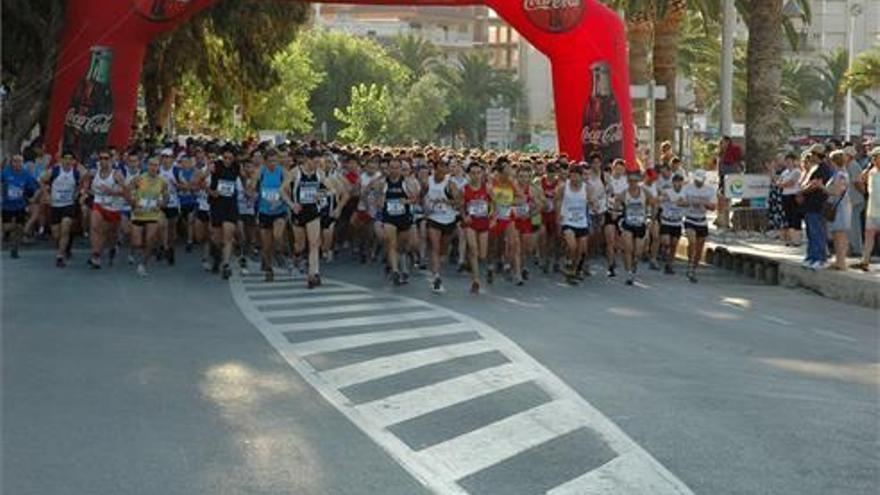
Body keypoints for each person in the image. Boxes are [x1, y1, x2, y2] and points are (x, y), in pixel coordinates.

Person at [378, 157, 418, 286]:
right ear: (388, 169)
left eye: (397, 168)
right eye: (392, 168)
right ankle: (395, 271)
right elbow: (378, 201)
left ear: (401, 169)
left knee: (403, 245)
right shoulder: (383, 183)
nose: (394, 170)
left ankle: (402, 263)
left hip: (404, 217)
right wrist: (381, 200)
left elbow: (414, 198)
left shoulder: (407, 183)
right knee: (391, 243)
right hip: (389, 217)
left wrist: (405, 201)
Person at [41, 152, 84, 267]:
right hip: (55, 205)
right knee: (56, 234)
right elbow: (41, 180)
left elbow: (82, 183)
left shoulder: (76, 172)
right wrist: (46, 194)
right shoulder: (54, 171)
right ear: (61, 160)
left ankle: (60, 256)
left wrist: (77, 193)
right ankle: (65, 248)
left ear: (74, 161)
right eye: (65, 158)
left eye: (70, 159)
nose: (68, 161)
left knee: (65, 228)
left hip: (68, 205)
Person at [425, 158, 460, 292]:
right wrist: (426, 205)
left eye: (444, 167)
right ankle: (436, 276)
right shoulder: (427, 181)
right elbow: (421, 195)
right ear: (435, 168)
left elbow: (458, 202)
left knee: (443, 249)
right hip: (433, 218)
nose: (442, 170)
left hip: (448, 219)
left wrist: (446, 201)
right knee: (435, 246)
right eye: (440, 167)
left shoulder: (450, 184)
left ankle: (437, 264)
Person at [128, 157, 167, 277]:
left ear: (159, 167)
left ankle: (143, 264)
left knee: (150, 240)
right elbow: (128, 192)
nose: (153, 167)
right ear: (147, 166)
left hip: (153, 214)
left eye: (155, 165)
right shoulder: (139, 179)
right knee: (137, 242)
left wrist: (162, 203)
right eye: (151, 165)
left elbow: (166, 197)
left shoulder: (162, 181)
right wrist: (134, 203)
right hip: (139, 214)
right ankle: (133, 250)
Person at [84, 150, 125, 268]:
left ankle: (112, 247)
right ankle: (96, 255)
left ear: (111, 160)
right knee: (95, 227)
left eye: (106, 158)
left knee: (111, 234)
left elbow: (125, 191)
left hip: (113, 207)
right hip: (98, 204)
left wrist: (112, 191)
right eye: (101, 158)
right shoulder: (94, 172)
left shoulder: (117, 174)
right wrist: (86, 190)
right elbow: (84, 178)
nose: (103, 161)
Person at [615, 171, 654, 286]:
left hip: (640, 224)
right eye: (631, 181)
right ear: (628, 182)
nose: (633, 184)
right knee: (628, 249)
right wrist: (616, 211)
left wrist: (652, 218)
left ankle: (634, 264)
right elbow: (616, 202)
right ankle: (629, 273)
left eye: (635, 181)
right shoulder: (624, 193)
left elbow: (654, 203)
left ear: (638, 181)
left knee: (638, 252)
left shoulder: (645, 193)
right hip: (628, 224)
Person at [255, 149, 288, 282]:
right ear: (265, 161)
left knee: (278, 235)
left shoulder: (282, 172)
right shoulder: (261, 171)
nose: (273, 164)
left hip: (280, 210)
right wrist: (253, 193)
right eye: (270, 161)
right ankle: (269, 269)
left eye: (275, 161)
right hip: (264, 211)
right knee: (266, 245)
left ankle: (279, 252)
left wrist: (280, 200)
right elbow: (252, 187)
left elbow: (288, 191)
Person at [799, 144, 834, 270]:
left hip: (818, 205)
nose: (810, 157)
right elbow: (805, 185)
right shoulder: (815, 168)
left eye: (811, 155)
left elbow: (813, 186)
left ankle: (820, 257)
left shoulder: (824, 169)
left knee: (817, 231)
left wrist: (804, 189)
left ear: (816, 155)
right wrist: (804, 188)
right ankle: (811, 256)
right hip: (810, 205)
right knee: (810, 232)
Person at [555, 164, 591, 284]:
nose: (574, 179)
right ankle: (568, 261)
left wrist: (594, 204)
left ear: (581, 177)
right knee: (572, 246)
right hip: (568, 220)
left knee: (581, 249)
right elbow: (557, 200)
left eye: (576, 176)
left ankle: (573, 271)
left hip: (581, 222)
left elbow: (591, 200)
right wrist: (559, 214)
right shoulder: (563, 187)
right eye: (572, 176)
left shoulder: (586, 188)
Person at [208, 152, 242, 279]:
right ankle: (217, 257)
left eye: (230, 158)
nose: (228, 160)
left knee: (228, 234)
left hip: (230, 205)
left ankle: (226, 264)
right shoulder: (215, 166)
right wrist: (211, 191)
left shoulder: (237, 167)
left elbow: (244, 178)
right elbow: (201, 182)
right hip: (217, 205)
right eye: (225, 158)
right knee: (217, 238)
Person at [680, 169, 716, 282]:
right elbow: (679, 202)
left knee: (700, 248)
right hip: (690, 219)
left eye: (700, 181)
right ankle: (690, 264)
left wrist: (704, 204)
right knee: (692, 241)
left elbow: (714, 207)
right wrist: (692, 202)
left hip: (702, 220)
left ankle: (693, 269)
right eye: (697, 181)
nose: (698, 183)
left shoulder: (710, 190)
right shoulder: (687, 188)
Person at [2, 154, 39, 258]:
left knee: (19, 227)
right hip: (7, 205)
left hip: (20, 205)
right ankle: (10, 235)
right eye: (15, 161)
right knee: (7, 227)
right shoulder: (5, 173)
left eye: (20, 162)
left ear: (23, 163)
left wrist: (33, 199)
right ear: (12, 163)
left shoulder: (26, 175)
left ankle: (15, 248)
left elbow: (37, 188)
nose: (17, 164)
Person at [461, 161, 491, 293]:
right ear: (468, 175)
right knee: (473, 249)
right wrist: (464, 216)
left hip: (484, 222)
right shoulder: (464, 188)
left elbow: (495, 204)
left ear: (482, 174)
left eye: (479, 173)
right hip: (470, 223)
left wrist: (493, 217)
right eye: (473, 173)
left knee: (482, 254)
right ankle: (476, 280)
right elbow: (461, 206)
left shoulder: (487, 188)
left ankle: (471, 263)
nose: (476, 175)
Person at [854, 146, 880, 271]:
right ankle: (865, 260)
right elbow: (861, 180)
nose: (875, 159)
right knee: (869, 235)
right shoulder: (871, 172)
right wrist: (866, 171)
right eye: (874, 157)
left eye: (876, 156)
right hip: (872, 210)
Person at [826, 150, 851, 271]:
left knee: (839, 235)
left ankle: (841, 262)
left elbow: (837, 191)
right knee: (838, 235)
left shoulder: (840, 174)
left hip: (839, 206)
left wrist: (823, 188)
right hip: (841, 205)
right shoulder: (842, 173)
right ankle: (839, 261)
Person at [658, 173, 686, 274]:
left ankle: (669, 264)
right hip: (666, 221)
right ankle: (664, 251)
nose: (678, 184)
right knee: (666, 242)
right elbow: (659, 199)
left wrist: (682, 202)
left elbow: (687, 203)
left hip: (677, 223)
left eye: (680, 182)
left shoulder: (684, 193)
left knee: (674, 244)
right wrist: (664, 198)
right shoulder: (667, 192)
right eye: (676, 182)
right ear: (673, 183)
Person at [604, 159, 627, 277]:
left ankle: (615, 258)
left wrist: (619, 197)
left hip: (621, 213)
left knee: (619, 243)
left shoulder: (626, 182)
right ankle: (610, 266)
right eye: (617, 168)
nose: (619, 171)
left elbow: (625, 198)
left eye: (621, 169)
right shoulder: (608, 179)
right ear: (613, 168)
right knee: (610, 241)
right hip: (608, 212)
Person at [158, 149, 180, 265]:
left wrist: (177, 184)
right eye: (164, 157)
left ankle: (170, 248)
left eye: (169, 157)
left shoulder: (176, 170)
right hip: (160, 202)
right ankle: (164, 247)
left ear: (172, 159)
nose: (166, 159)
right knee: (162, 225)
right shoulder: (157, 170)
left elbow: (184, 186)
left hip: (173, 203)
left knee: (172, 229)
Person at [777, 152, 803, 247]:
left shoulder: (797, 172)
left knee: (795, 217)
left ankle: (797, 239)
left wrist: (782, 184)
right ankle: (789, 238)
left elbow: (791, 183)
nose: (788, 163)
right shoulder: (785, 172)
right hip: (785, 195)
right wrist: (782, 184)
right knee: (787, 217)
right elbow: (778, 182)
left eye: (790, 161)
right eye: (786, 161)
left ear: (794, 161)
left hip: (794, 195)